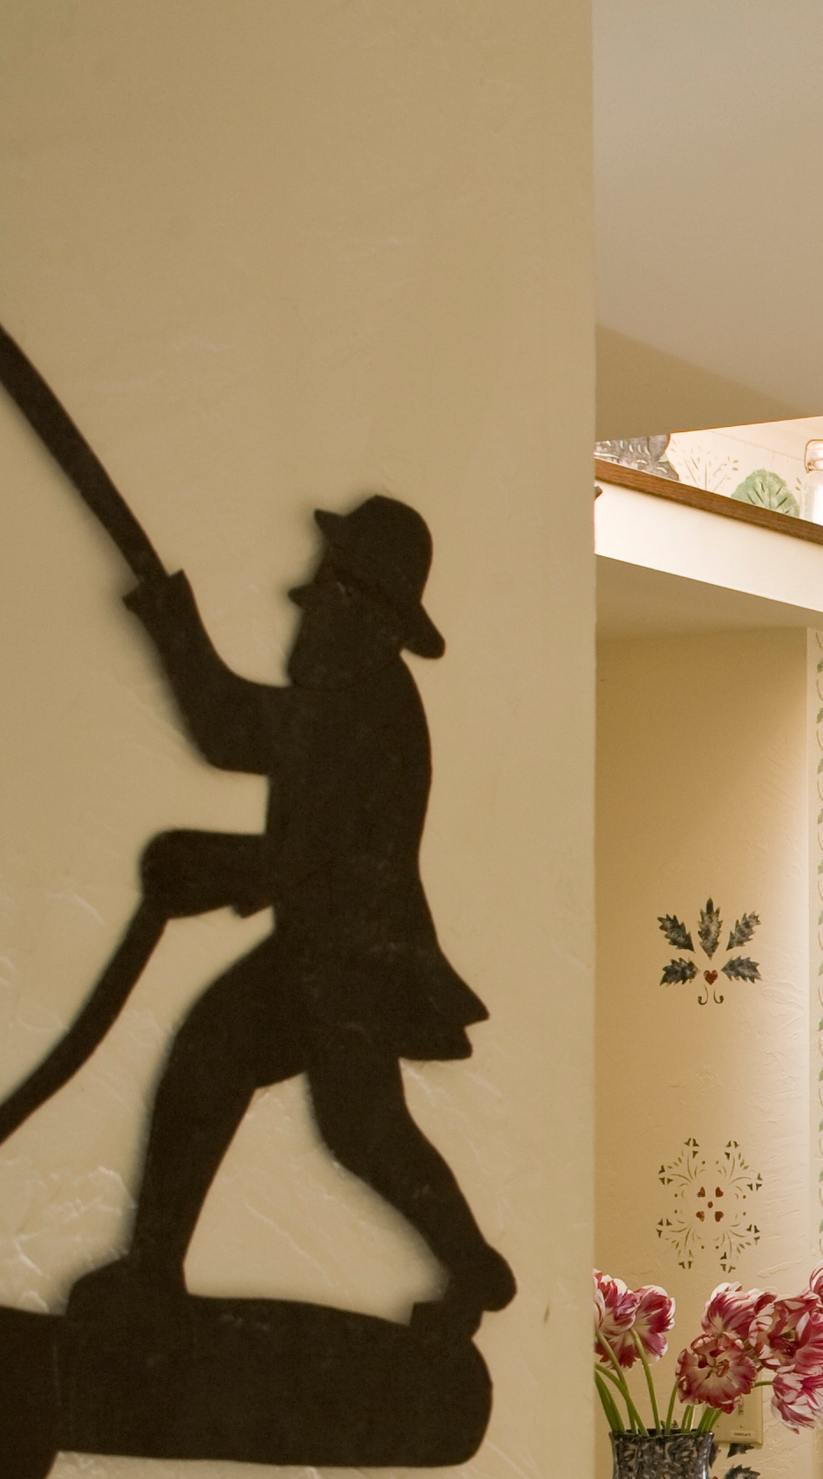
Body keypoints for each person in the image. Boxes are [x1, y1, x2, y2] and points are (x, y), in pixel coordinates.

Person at [92, 494, 512, 1326]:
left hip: (350, 960)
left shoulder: (361, 709)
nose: (305, 605)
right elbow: (268, 778)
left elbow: (231, 733)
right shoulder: (353, 700)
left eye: (325, 592)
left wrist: (169, 615)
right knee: (328, 1114)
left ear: (363, 616)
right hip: (331, 951)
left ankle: (152, 1276)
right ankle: (472, 1269)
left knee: (282, 1096)